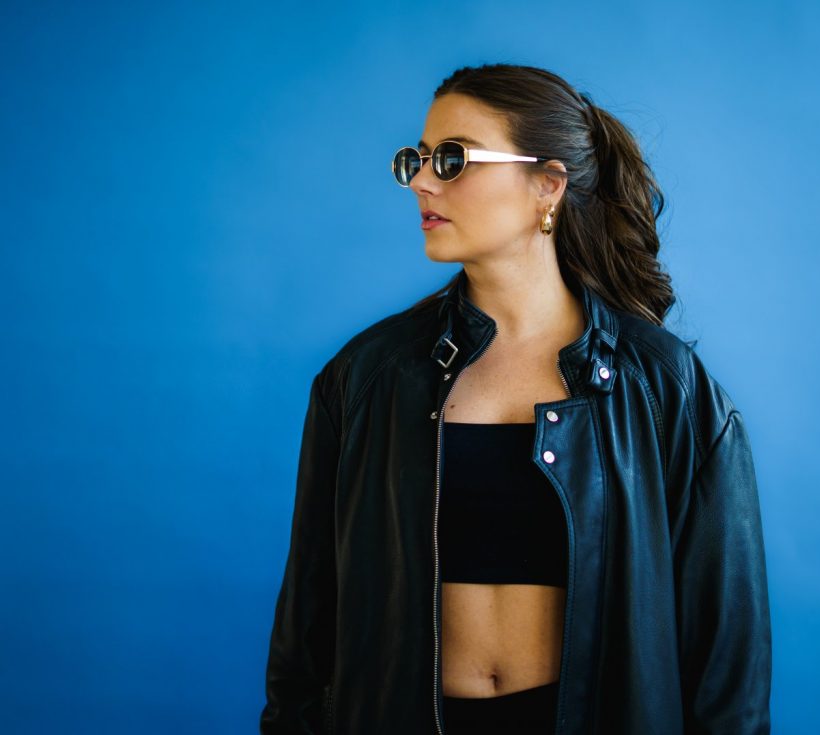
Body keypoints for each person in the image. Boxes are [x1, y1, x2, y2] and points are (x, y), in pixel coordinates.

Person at [259, 62, 771, 735]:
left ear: (547, 185)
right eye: (417, 159)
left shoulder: (666, 389)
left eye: (452, 159)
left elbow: (726, 672)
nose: (422, 181)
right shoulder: (366, 379)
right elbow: (304, 640)